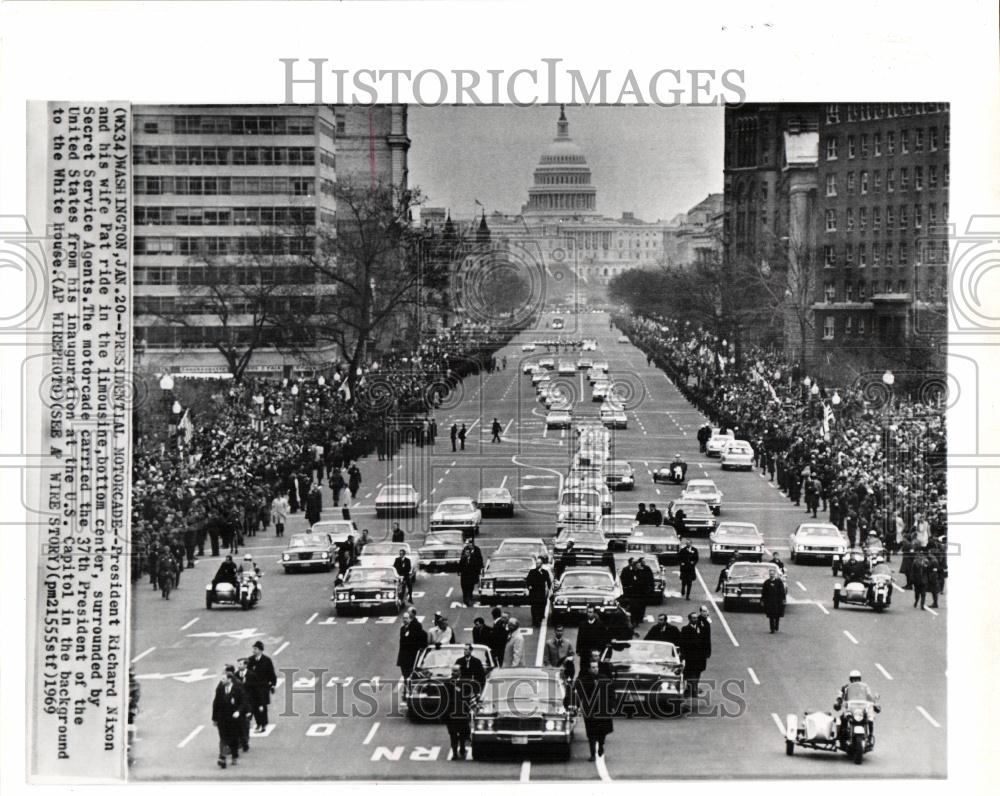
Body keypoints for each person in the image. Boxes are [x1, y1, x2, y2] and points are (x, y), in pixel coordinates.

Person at [572, 659, 614, 761]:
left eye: (596, 667)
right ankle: (592, 754)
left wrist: (612, 706)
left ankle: (601, 745)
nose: (595, 669)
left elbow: (611, 693)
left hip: (603, 709)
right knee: (591, 732)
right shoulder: (584, 680)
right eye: (593, 667)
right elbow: (579, 693)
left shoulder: (604, 679)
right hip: (590, 710)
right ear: (589, 669)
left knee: (602, 731)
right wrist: (577, 706)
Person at [212, 668, 250, 769]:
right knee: (223, 738)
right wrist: (214, 718)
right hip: (222, 719)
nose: (222, 681)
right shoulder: (220, 689)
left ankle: (234, 755)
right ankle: (222, 757)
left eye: (224, 679)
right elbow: (216, 704)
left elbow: (244, 701)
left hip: (234, 719)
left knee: (233, 739)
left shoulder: (237, 689)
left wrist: (239, 711)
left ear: (229, 679)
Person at [444, 664, 475, 761]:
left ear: (460, 672)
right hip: (451, 713)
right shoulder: (448, 683)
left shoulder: (465, 683)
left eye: (456, 671)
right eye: (453, 671)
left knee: (462, 733)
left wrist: (469, 709)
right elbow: (445, 699)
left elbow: (468, 697)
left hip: (462, 713)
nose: (454, 673)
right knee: (452, 734)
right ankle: (454, 753)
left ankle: (462, 747)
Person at [245, 641, 277, 733]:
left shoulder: (267, 660)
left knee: (262, 705)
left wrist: (273, 685)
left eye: (255, 649)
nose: (253, 651)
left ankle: (263, 724)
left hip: (263, 687)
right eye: (253, 649)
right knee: (254, 706)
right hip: (252, 688)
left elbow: (271, 673)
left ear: (260, 650)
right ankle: (259, 723)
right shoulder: (250, 660)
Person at [679, 612, 708, 697]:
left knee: (697, 673)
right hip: (690, 656)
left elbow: (705, 642)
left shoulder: (701, 629)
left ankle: (692, 689)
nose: (695, 619)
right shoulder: (685, 629)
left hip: (699, 657)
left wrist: (705, 653)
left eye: (696, 618)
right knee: (689, 674)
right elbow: (683, 643)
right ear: (690, 619)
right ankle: (692, 690)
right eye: (693, 618)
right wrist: (683, 656)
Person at [397, 611, 428, 681]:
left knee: (412, 675)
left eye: (406, 618)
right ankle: (406, 688)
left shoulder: (414, 628)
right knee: (405, 675)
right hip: (403, 656)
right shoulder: (402, 629)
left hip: (411, 656)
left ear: (410, 619)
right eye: (403, 618)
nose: (404, 620)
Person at [575, 605, 608, 670]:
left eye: (591, 612)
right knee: (584, 669)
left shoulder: (600, 624)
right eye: (588, 612)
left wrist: (600, 650)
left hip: (595, 652)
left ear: (594, 613)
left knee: (595, 669)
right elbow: (579, 637)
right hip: (585, 652)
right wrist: (578, 650)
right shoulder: (582, 624)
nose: (589, 614)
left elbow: (603, 638)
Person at [233, 658, 254, 752]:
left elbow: (256, 690)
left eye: (241, 664)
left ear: (246, 665)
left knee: (245, 724)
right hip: (239, 704)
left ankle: (245, 741)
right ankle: (241, 741)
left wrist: (259, 704)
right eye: (238, 664)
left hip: (249, 703)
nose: (239, 666)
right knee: (238, 724)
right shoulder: (235, 675)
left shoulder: (251, 675)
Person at [525, 557, 552, 627]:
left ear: (541, 564)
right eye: (536, 563)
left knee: (541, 606)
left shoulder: (545, 572)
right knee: (534, 607)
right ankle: (534, 621)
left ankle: (539, 619)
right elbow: (528, 580)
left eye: (539, 563)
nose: (537, 564)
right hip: (533, 592)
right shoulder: (532, 571)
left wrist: (550, 589)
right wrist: (529, 586)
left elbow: (548, 581)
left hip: (541, 592)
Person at [458, 539, 484, 607]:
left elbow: (479, 560)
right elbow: (460, 564)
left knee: (471, 586)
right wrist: (459, 571)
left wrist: (480, 568)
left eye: (470, 543)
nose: (469, 545)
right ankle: (466, 599)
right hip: (465, 575)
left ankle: (470, 597)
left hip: (473, 572)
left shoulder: (477, 550)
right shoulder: (464, 555)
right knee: (465, 587)